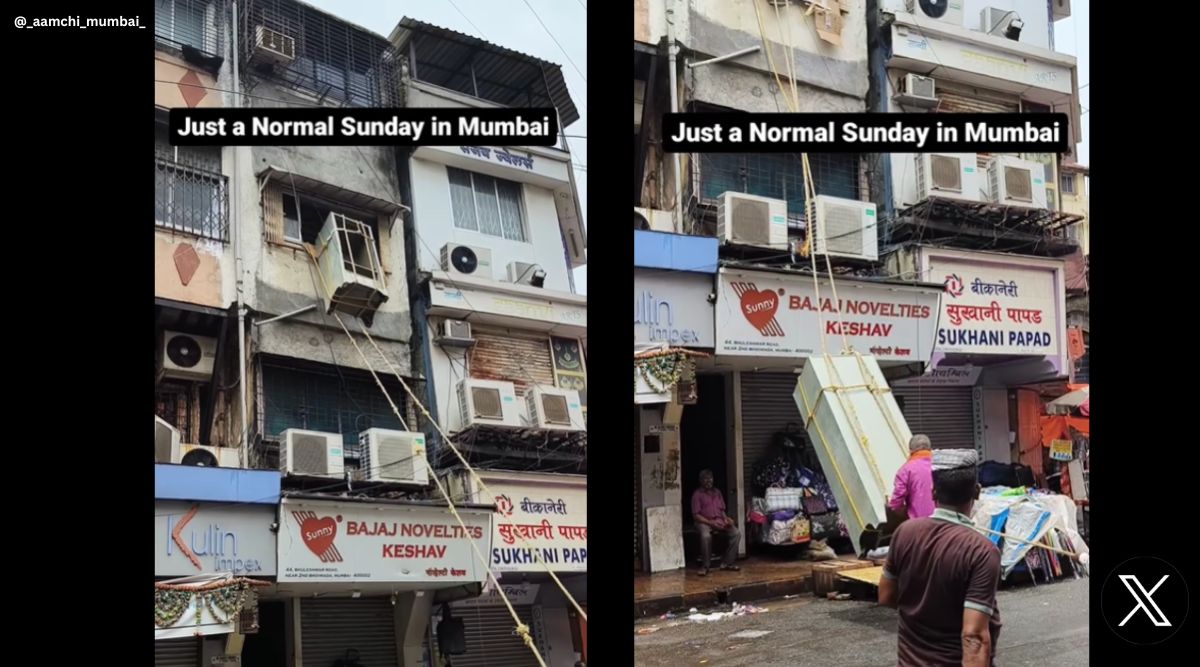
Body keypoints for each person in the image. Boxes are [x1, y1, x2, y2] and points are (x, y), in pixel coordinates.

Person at [878, 449, 1002, 667]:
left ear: (933, 492)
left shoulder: (904, 533)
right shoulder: (982, 552)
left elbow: (886, 595)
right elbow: (974, 637)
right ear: (977, 492)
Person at [690, 469, 740, 576]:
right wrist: (710, 523)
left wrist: (726, 519)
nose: (709, 481)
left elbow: (722, 510)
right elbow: (696, 515)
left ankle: (727, 563)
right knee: (706, 536)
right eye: (705, 479)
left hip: (719, 520)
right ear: (701, 481)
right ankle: (705, 566)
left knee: (736, 533)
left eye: (710, 478)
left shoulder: (717, 492)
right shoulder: (697, 494)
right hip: (703, 521)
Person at [887, 434, 935, 520]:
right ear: (930, 449)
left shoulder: (906, 470)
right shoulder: (941, 466)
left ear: (910, 451)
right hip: (942, 524)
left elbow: (896, 501)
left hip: (918, 523)